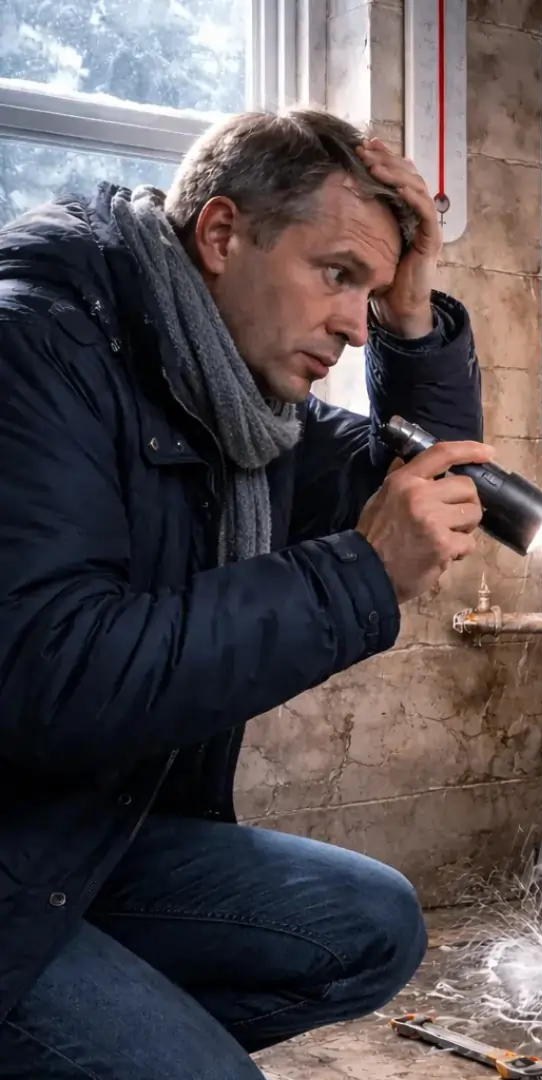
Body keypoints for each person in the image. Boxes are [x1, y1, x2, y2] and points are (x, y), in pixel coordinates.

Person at [0, 107, 493, 1078]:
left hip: (82, 841)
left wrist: (416, 316)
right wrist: (358, 574)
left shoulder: (240, 407)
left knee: (371, 923)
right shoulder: (36, 350)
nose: (355, 325)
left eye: (373, 294)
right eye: (340, 275)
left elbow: (434, 487)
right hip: (15, 856)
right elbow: (48, 675)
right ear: (222, 235)